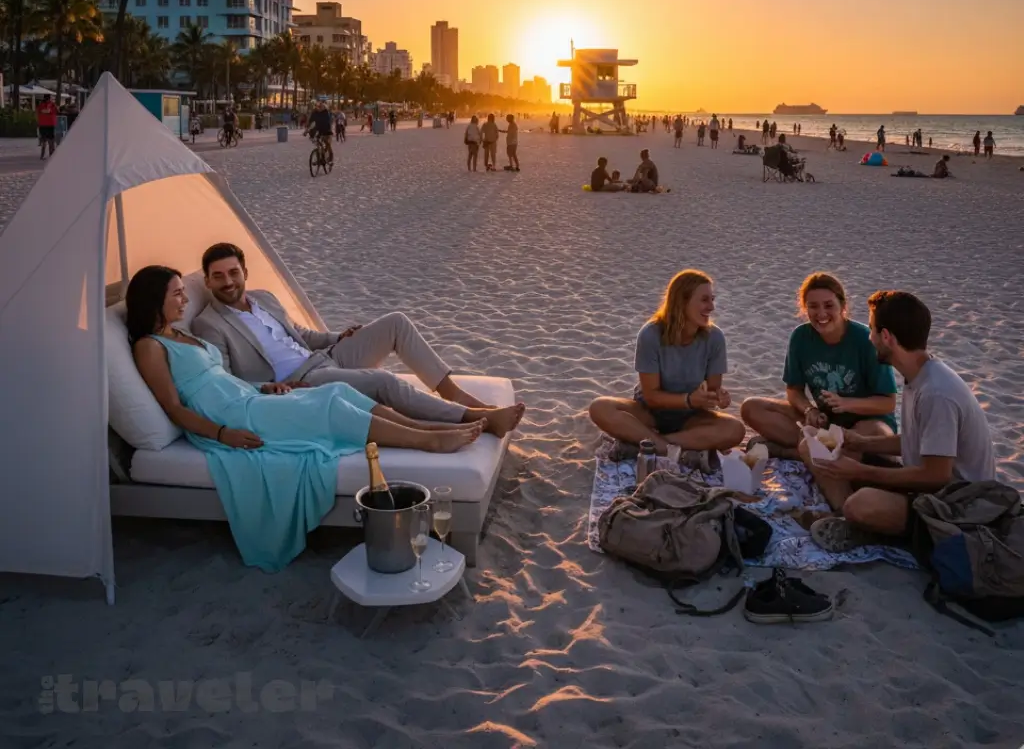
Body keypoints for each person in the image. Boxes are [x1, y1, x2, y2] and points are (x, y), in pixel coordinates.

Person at [128, 266, 486, 571]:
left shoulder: (179, 334)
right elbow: (174, 407)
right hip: (231, 417)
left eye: (181, 291)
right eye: (176, 294)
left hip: (247, 398)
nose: (184, 299)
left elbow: (225, 378)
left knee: (340, 393)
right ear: (154, 299)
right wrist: (223, 434)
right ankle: (428, 439)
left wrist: (264, 387)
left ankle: (427, 426)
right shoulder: (150, 346)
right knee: (327, 406)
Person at [191, 244, 525, 437]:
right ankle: (470, 417)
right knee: (382, 380)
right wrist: (271, 388)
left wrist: (339, 336)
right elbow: (227, 381)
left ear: (245, 273)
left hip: (325, 356)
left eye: (233, 272)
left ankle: (458, 396)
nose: (228, 281)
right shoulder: (209, 323)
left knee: (396, 323)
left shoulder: (264, 297)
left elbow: (302, 336)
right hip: (302, 380)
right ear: (207, 281)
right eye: (218, 276)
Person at [806, 291, 996, 552]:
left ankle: (881, 532)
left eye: (872, 330)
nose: (869, 338)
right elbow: (919, 442)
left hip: (958, 507)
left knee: (860, 504)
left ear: (887, 337)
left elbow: (935, 476)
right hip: (934, 491)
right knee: (840, 456)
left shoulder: (935, 393)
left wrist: (861, 472)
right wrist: (862, 443)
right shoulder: (919, 375)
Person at [588, 270, 745, 461]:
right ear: (682, 301)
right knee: (600, 407)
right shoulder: (651, 334)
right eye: (704, 300)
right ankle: (670, 447)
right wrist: (688, 399)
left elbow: (711, 391)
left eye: (712, 299)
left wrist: (719, 397)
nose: (711, 307)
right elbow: (651, 396)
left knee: (735, 430)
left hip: (690, 418)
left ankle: (651, 444)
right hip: (650, 413)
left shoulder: (714, 337)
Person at [740, 273, 898, 460]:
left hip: (866, 423)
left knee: (869, 435)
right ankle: (816, 450)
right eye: (813, 306)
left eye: (829, 305)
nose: (821, 314)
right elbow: (794, 390)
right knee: (751, 407)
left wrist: (847, 403)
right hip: (825, 423)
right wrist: (810, 410)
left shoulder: (865, 339)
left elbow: (888, 402)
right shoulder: (800, 337)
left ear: (843, 306)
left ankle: (791, 452)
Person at [35, 94, 58, 160]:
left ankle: (42, 156)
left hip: (42, 125)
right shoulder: (52, 105)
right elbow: (56, 111)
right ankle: (52, 155)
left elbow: (38, 113)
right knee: (51, 141)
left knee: (43, 141)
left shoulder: (40, 105)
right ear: (50, 98)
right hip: (50, 124)